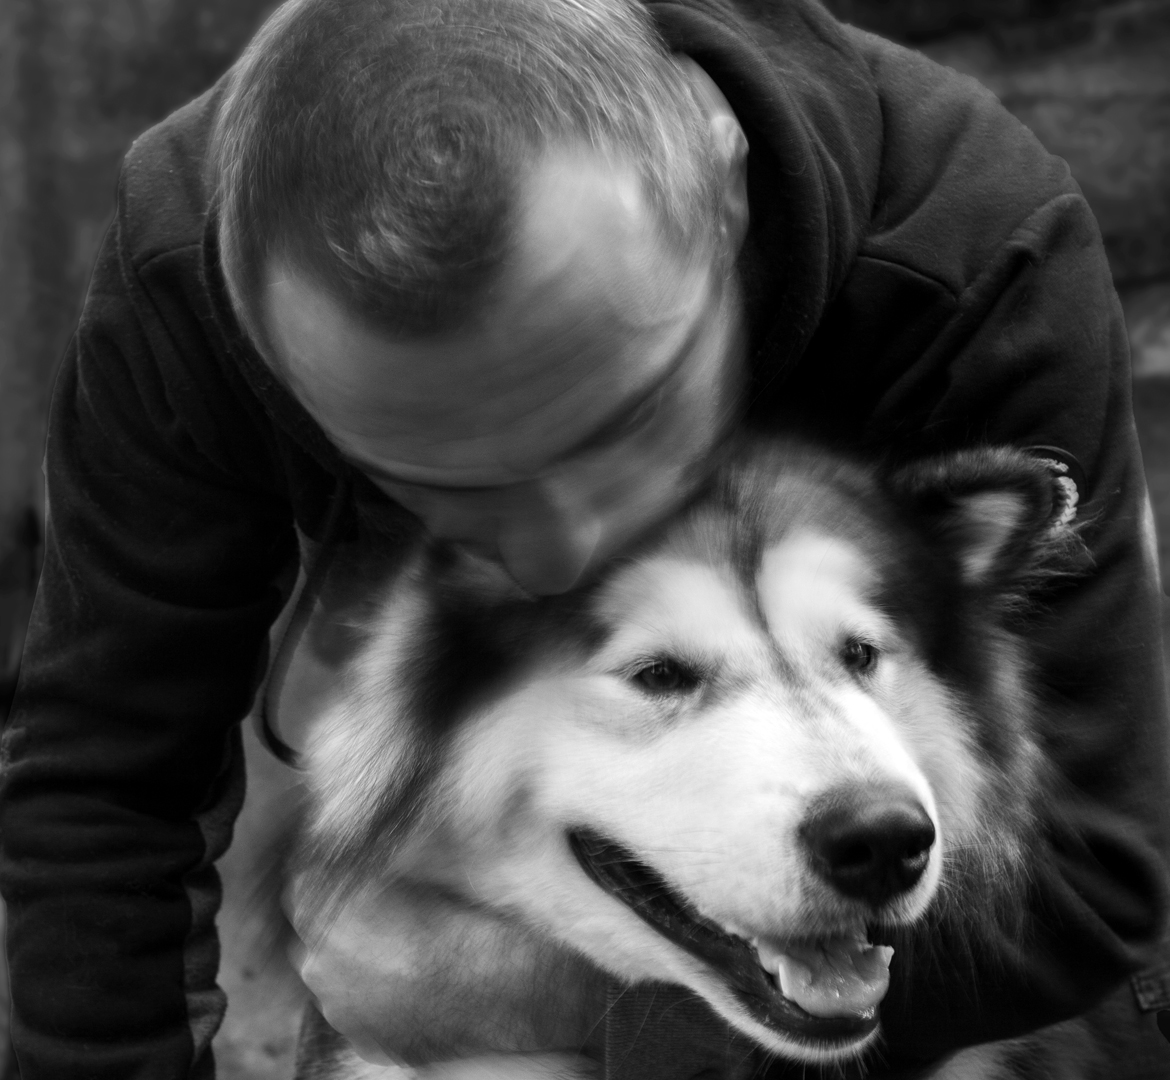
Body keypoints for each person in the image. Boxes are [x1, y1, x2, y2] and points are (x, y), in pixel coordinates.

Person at [1, 0, 1167, 1077]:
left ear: (727, 186)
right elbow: (109, 775)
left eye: (621, 421)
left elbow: (1095, 879)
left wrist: (504, 999)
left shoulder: (976, 245)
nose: (565, 554)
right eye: (451, 486)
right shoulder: (179, 277)